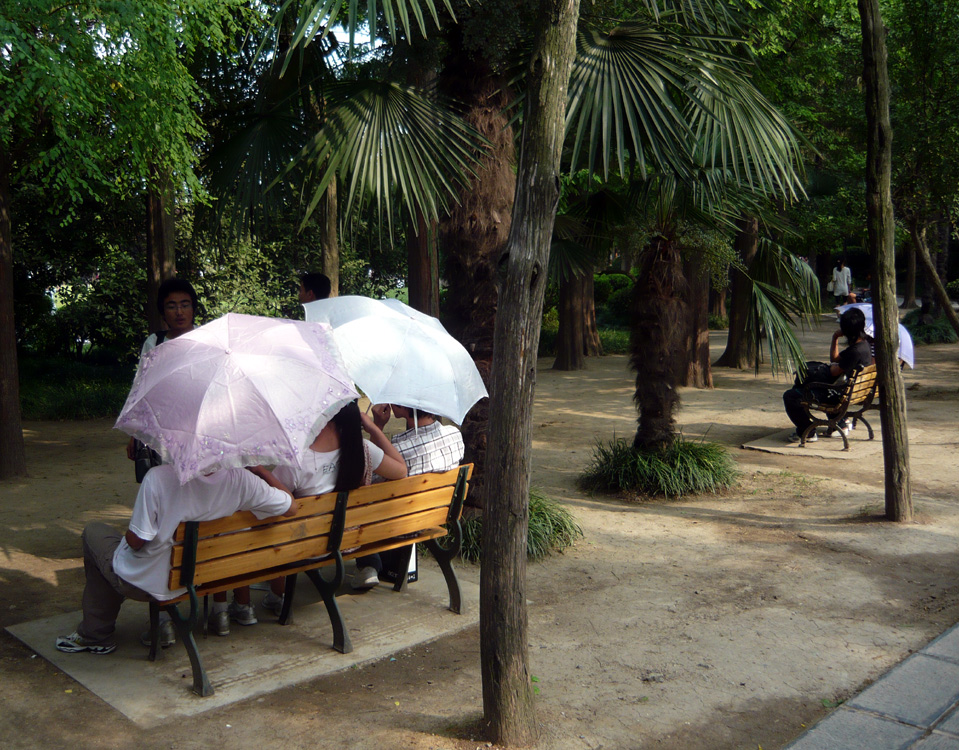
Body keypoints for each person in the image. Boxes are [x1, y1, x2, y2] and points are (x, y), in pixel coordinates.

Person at [54, 464, 295, 655]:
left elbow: (137, 540)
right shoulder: (242, 480)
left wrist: (131, 531)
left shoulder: (159, 478)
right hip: (198, 578)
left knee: (94, 533)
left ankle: (95, 634)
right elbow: (291, 507)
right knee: (111, 551)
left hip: (146, 581)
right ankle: (100, 632)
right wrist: (261, 471)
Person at [255, 400, 407, 613]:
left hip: (307, 547)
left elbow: (271, 507)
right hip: (348, 540)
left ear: (326, 421)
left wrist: (260, 471)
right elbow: (401, 470)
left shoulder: (299, 462)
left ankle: (276, 595)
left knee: (275, 521)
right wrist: (373, 427)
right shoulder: (363, 450)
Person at [370, 403, 465, 583]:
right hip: (438, 516)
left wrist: (376, 427)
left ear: (406, 404)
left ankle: (368, 565)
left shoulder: (399, 448)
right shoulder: (455, 435)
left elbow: (368, 478)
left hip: (400, 524)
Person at [126, 278, 200, 478]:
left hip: (199, 425)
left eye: (185, 305)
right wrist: (136, 432)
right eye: (172, 306)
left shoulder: (206, 340)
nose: (179, 312)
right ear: (163, 311)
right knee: (167, 479)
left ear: (193, 308)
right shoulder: (154, 342)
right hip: (163, 426)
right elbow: (142, 387)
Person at [782, 307, 872, 443]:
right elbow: (835, 359)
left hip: (838, 394)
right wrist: (835, 338)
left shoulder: (855, 351)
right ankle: (840, 422)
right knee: (808, 381)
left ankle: (807, 431)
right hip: (852, 392)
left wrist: (827, 368)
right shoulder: (864, 345)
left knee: (792, 395)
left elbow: (833, 372)